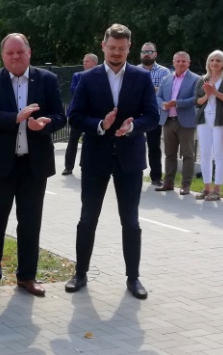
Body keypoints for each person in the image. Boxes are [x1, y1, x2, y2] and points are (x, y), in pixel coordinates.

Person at [65, 24, 159, 300]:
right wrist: (100, 125)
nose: (116, 53)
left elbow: (153, 116)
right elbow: (74, 116)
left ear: (129, 48)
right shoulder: (88, 78)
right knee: (87, 218)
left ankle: (133, 278)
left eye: (122, 48)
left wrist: (133, 126)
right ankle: (80, 273)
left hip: (130, 158)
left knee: (130, 220)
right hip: (96, 157)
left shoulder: (142, 78)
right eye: (112, 48)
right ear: (103, 46)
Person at [0, 34, 66, 297]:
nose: (15, 57)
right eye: (10, 53)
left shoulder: (46, 79)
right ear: (3, 56)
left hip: (33, 165)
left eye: (20, 52)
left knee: (30, 222)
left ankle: (27, 276)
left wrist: (44, 123)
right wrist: (16, 118)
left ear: (29, 52)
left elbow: (61, 116)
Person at [195, 50, 223, 202]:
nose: (214, 62)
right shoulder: (203, 79)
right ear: (208, 63)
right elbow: (197, 101)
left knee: (219, 154)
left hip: (220, 119)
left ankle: (217, 190)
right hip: (204, 119)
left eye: (218, 60)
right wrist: (207, 95)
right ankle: (207, 188)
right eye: (212, 60)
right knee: (205, 154)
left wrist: (215, 92)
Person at [155, 52, 199, 195]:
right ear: (173, 62)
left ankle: (186, 185)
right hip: (168, 120)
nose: (180, 63)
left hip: (185, 123)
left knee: (188, 155)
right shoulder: (167, 79)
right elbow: (158, 96)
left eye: (183, 61)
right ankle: (168, 183)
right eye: (178, 61)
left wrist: (177, 103)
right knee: (169, 154)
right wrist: (163, 104)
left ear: (188, 63)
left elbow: (195, 99)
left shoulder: (196, 79)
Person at [138, 42, 171, 187]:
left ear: (155, 54)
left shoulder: (164, 72)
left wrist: (149, 88)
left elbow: (168, 92)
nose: (147, 54)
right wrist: (154, 89)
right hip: (137, 115)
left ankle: (156, 177)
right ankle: (135, 173)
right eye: (144, 52)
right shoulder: (134, 71)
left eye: (150, 52)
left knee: (154, 147)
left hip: (154, 114)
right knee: (136, 145)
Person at [62, 53, 98, 175]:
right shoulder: (78, 75)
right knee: (73, 139)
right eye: (83, 61)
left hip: (93, 113)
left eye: (87, 61)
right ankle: (68, 166)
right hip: (79, 113)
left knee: (92, 140)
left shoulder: (100, 76)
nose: (84, 63)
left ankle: (90, 165)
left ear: (94, 63)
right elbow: (73, 90)